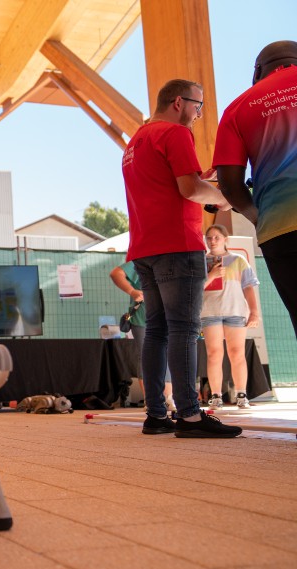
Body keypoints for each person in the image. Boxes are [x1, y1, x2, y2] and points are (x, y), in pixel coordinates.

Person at [122, 79, 241, 438]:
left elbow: (167, 186)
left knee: (156, 330)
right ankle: (190, 415)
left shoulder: (136, 141)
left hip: (145, 247)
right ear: (178, 102)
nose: (199, 114)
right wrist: (223, 197)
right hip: (177, 244)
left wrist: (204, 181)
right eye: (197, 106)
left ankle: (156, 414)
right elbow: (189, 189)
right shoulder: (175, 134)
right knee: (184, 329)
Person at [214, 40, 297, 340]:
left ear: (258, 71)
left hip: (281, 228)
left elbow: (228, 183)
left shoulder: (238, 107)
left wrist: (255, 215)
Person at [201, 224, 261, 410]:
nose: (213, 241)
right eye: (209, 237)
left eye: (217, 237)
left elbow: (248, 287)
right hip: (210, 312)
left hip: (235, 311)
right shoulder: (200, 261)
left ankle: (241, 395)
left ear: (226, 239)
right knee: (214, 354)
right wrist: (211, 276)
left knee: (237, 353)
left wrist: (254, 311)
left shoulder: (238, 260)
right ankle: (216, 396)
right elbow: (194, 289)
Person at [109, 262, 175, 412]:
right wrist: (133, 292)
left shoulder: (171, 259)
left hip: (168, 315)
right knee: (147, 355)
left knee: (166, 354)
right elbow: (115, 273)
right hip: (143, 317)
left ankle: (168, 396)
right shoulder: (141, 260)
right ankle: (151, 398)